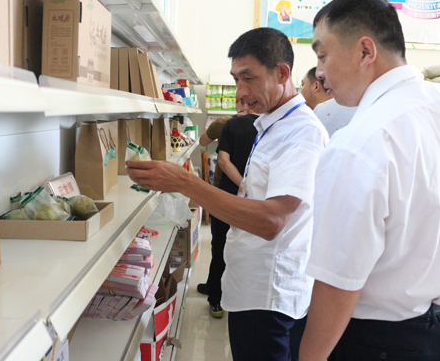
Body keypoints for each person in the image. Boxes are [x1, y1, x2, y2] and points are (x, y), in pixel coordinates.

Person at [298, 0, 440, 361]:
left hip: (387, 343)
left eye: (322, 55)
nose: (320, 72)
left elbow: (338, 284)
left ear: (365, 51)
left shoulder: (359, 143)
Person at [127, 27, 328, 361]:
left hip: (268, 298)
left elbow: (271, 221)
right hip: (252, 288)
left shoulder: (301, 133)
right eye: (236, 80)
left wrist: (185, 183)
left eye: (249, 78)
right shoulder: (272, 125)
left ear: (282, 73)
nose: (241, 92)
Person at [204, 99, 259, 318]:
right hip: (258, 199)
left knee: (220, 247)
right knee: (249, 249)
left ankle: (216, 299)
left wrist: (242, 186)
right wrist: (251, 189)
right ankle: (240, 301)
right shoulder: (275, 126)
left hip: (226, 195)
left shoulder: (230, 124)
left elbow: (224, 161)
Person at [300, 67, 356, 138]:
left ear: (316, 86)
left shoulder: (315, 116)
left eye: (303, 85)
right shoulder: (354, 107)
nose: (300, 93)